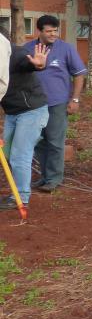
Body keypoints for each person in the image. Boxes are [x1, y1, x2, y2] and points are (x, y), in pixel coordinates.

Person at [26, 15, 87, 193]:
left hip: (57, 103)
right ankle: (45, 176)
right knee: (38, 142)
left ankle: (54, 178)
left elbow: (79, 74)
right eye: (48, 31)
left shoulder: (66, 49)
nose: (53, 34)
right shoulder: (29, 48)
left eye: (55, 30)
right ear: (39, 31)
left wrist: (74, 99)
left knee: (55, 141)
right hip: (34, 104)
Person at [0, 41, 49, 210]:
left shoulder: (16, 53)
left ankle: (20, 197)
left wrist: (38, 64)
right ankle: (17, 191)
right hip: (12, 112)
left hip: (31, 112)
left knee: (20, 155)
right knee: (6, 154)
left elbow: (28, 63)